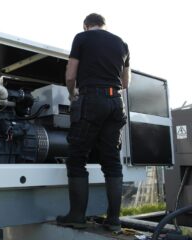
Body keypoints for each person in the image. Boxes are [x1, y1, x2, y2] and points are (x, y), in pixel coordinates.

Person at [56, 13, 131, 231]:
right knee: (112, 161)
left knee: (77, 157)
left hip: (91, 100)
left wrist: (72, 95)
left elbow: (70, 76)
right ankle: (114, 220)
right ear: (104, 26)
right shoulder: (122, 44)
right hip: (116, 103)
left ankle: (77, 216)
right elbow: (125, 82)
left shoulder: (82, 38)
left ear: (86, 25)